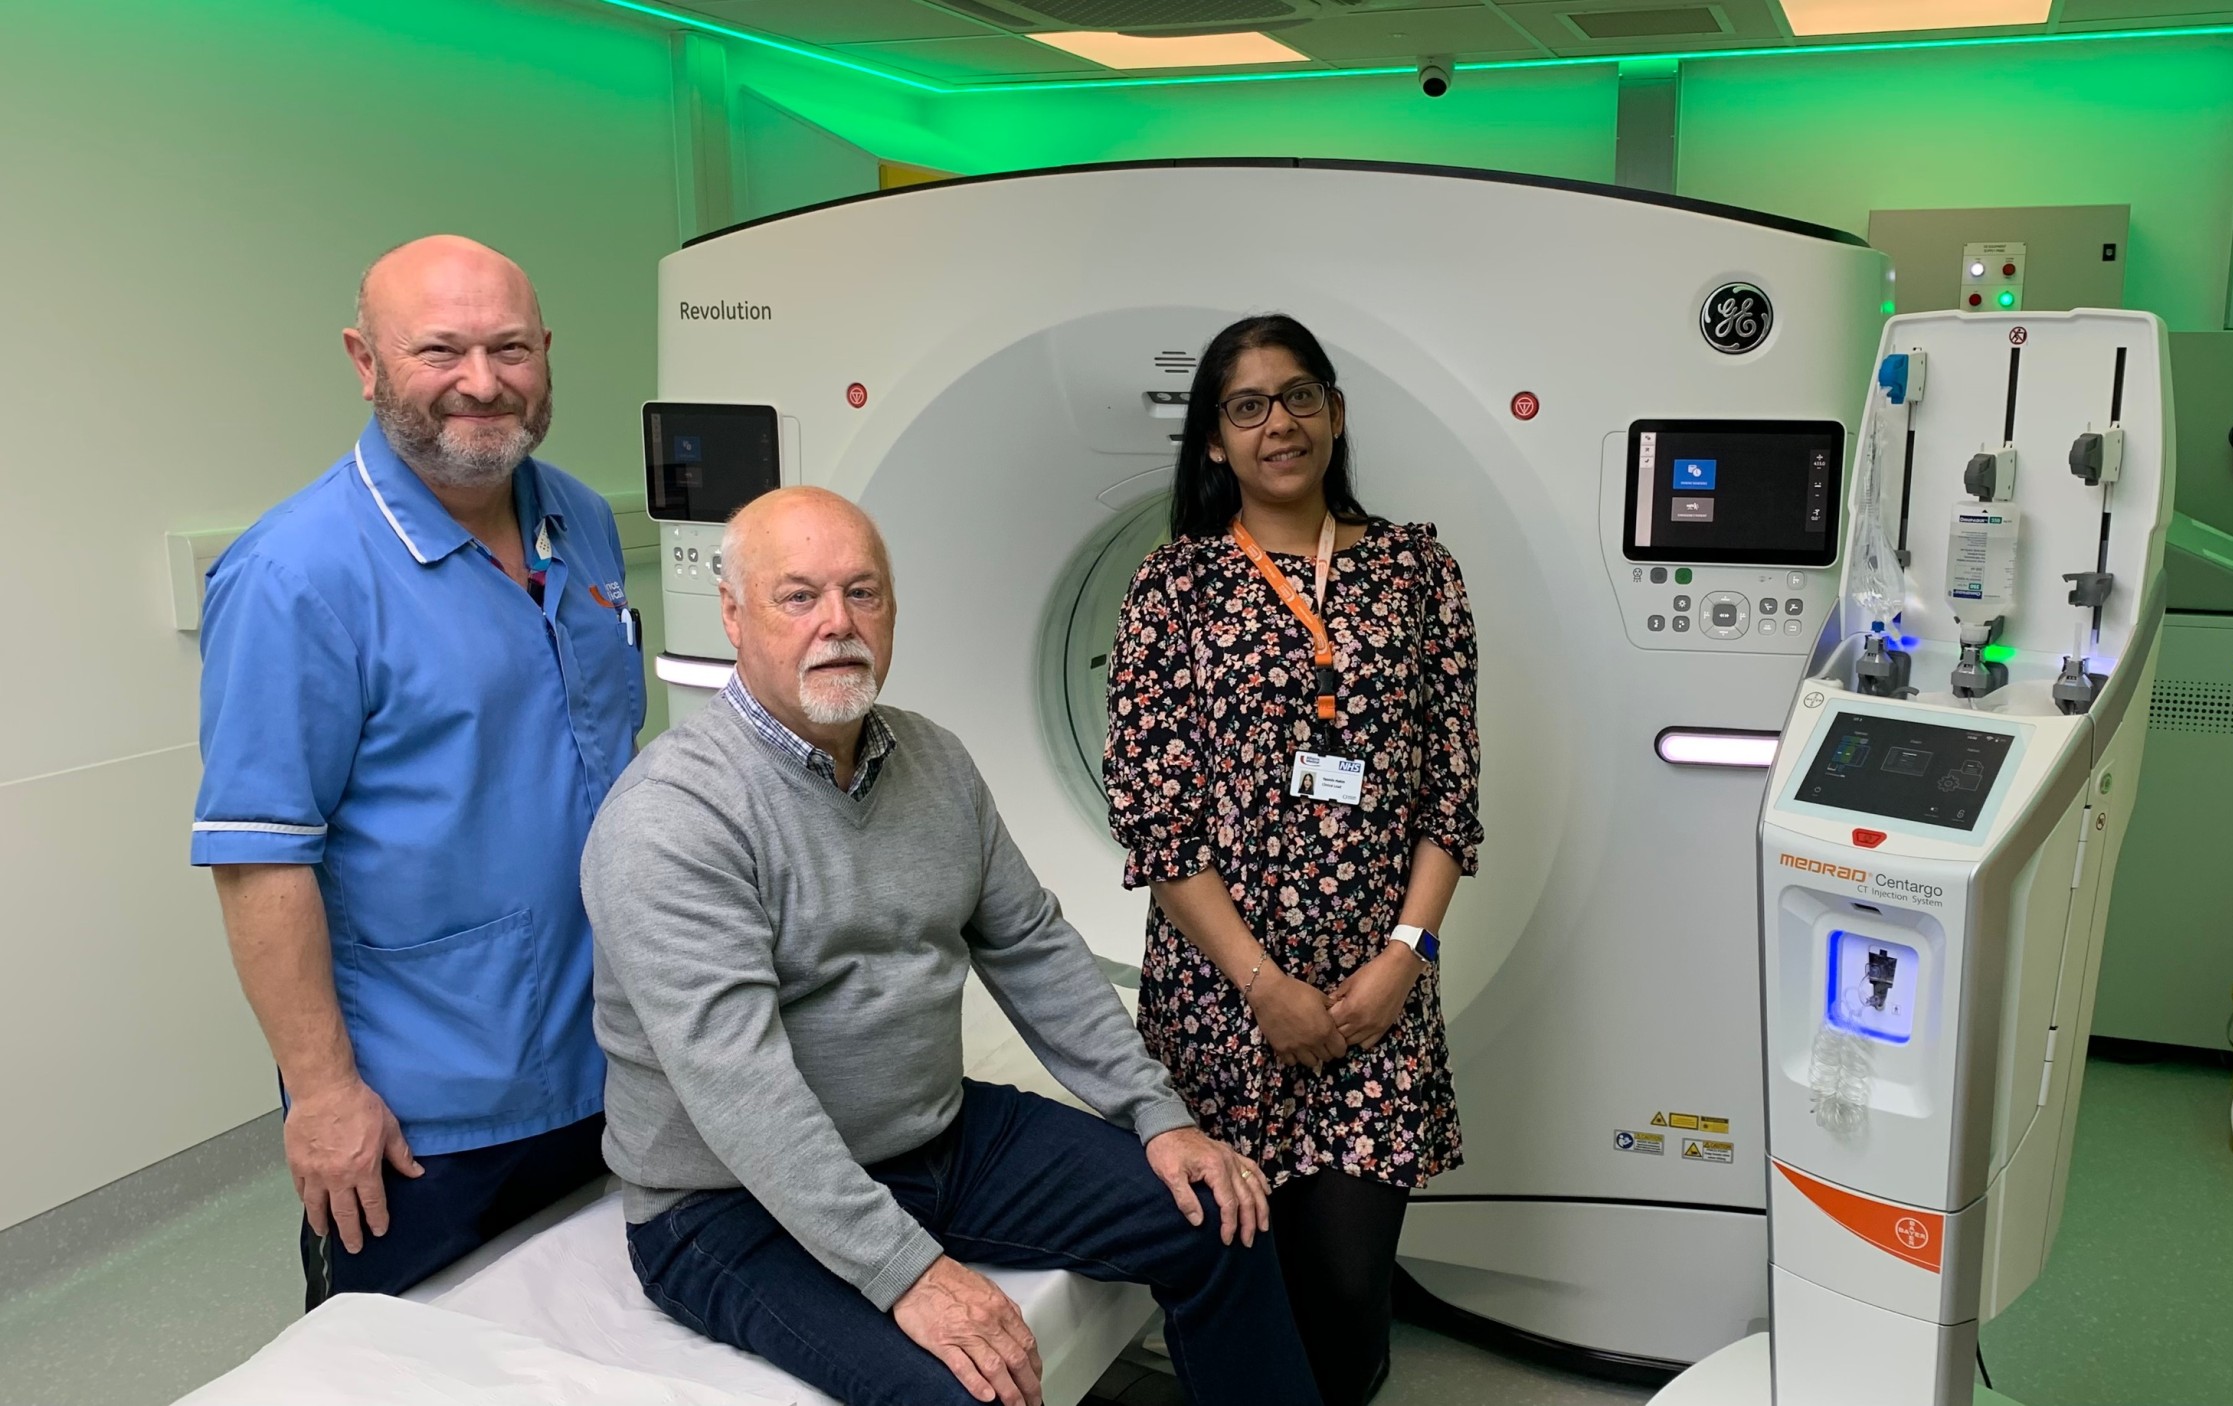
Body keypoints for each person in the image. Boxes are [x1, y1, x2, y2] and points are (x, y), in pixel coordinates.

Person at [580, 486, 1322, 1406]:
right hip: (729, 1205)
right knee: (970, 1390)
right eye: (799, 596)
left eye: (864, 592)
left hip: (936, 1141)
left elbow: (1035, 947)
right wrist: (907, 1272)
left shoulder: (935, 762)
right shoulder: (674, 817)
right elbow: (741, 1091)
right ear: (733, 614)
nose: (838, 625)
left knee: (1221, 1218)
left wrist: (1155, 1111)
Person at [193, 236, 643, 1307]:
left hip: (612, 1059)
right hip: (418, 1110)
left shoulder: (578, 521)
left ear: (546, 354)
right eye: (439, 349)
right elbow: (260, 858)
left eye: (510, 348)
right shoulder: (295, 576)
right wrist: (325, 1092)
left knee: (595, 1347)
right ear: (364, 359)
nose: (482, 382)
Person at [1103, 314, 1483, 1404]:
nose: (1282, 423)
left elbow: (1449, 790)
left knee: (1349, 1283)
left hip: (1378, 993)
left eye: (1301, 395)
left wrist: (1402, 957)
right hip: (1226, 998)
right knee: (1238, 1280)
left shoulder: (1420, 570)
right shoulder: (1171, 585)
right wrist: (1263, 985)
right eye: (1249, 405)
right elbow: (1157, 816)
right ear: (1214, 442)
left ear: (1336, 413)